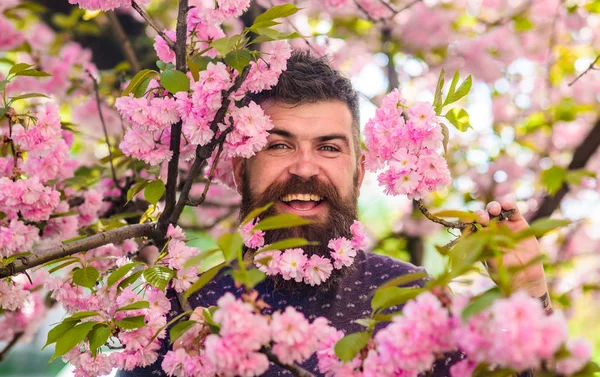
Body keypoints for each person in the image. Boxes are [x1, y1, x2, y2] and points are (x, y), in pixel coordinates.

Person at [120, 50, 551, 377]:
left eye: (328, 147)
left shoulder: (414, 300)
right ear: (239, 168)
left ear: (360, 172)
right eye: (279, 144)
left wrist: (531, 297)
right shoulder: (182, 312)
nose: (305, 167)